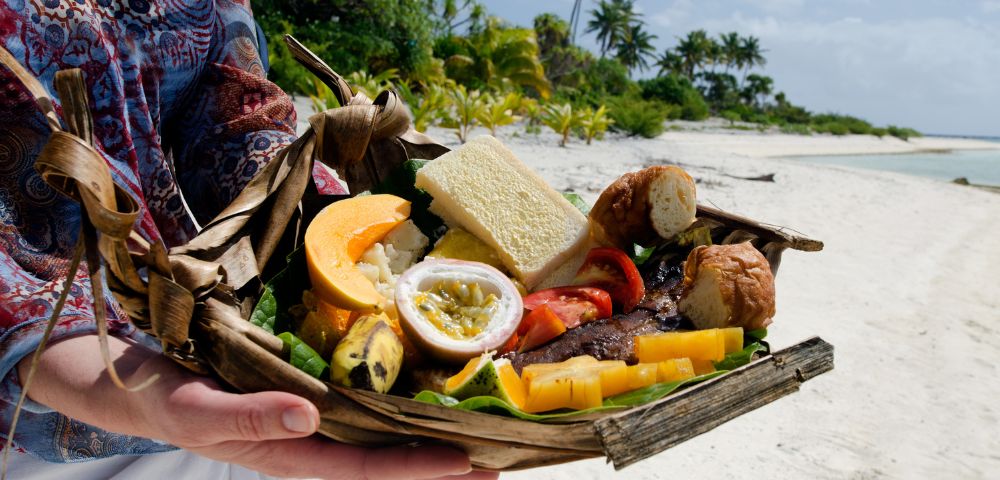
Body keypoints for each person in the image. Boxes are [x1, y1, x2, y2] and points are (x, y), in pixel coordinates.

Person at [0, 1, 497, 479]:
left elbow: (232, 124)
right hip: (47, 408)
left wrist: (339, 225)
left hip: (212, 358)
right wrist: (45, 345)